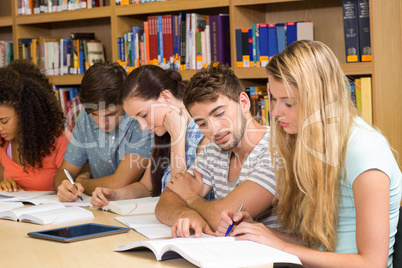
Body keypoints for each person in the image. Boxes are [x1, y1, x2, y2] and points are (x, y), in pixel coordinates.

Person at [219, 40, 402, 267]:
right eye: (274, 99)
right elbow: (319, 245)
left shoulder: (364, 150)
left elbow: (372, 263)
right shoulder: (311, 144)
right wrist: (263, 233)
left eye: (288, 103)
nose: (275, 112)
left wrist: (282, 246)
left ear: (319, 100)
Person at [154, 63, 278, 238]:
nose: (213, 129)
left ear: (243, 102)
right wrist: (185, 215)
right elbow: (167, 199)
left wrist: (190, 199)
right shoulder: (215, 149)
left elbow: (225, 217)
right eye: (202, 123)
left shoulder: (275, 149)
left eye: (219, 114)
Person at [90, 65, 212, 207]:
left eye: (144, 115)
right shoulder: (164, 132)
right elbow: (147, 187)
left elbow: (180, 197)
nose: (143, 127)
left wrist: (177, 137)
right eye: (137, 120)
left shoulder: (205, 133)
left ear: (165, 97)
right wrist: (114, 195)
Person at [54, 62, 153, 201]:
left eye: (110, 115)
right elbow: (64, 172)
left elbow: (119, 183)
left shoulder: (141, 120)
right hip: (98, 205)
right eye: (95, 114)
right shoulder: (84, 117)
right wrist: (64, 186)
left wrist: (81, 182)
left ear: (125, 102)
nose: (102, 123)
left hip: (136, 207)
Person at [0, 60, 69, 191]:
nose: (0, 128)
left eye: (4, 121)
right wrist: (3, 185)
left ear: (25, 114)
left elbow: (74, 184)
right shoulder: (3, 142)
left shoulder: (59, 141)